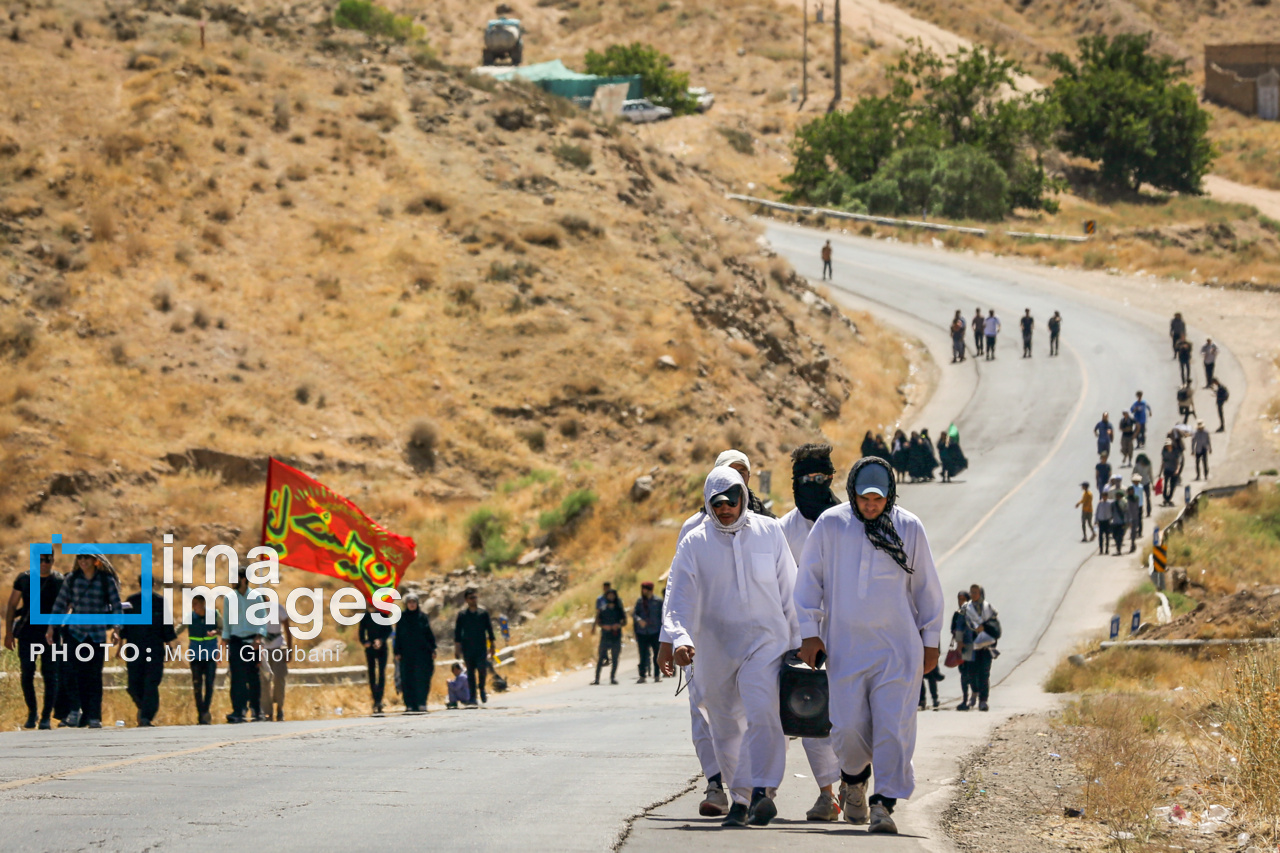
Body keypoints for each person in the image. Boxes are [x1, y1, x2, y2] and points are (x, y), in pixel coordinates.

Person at [796, 457, 944, 834]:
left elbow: (927, 588)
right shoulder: (832, 525)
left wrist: (931, 642)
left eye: (878, 499)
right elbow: (809, 579)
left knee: (893, 727)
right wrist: (809, 632)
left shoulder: (908, 527)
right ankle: (855, 779)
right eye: (864, 499)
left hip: (898, 650)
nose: (871, 505)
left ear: (890, 495)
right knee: (846, 728)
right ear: (853, 494)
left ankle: (884, 804)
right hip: (845, 648)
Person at [663, 466, 799, 828]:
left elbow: (790, 589)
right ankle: (740, 794)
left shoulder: (769, 532)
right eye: (717, 503)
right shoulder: (694, 542)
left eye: (731, 501)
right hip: (715, 648)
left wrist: (802, 640)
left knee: (761, 710)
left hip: (766, 642)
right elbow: (678, 598)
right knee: (723, 723)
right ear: (708, 501)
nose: (725, 509)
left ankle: (759, 792)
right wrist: (680, 639)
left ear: (743, 496)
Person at [777, 443, 845, 822]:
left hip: (848, 635)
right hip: (802, 641)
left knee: (852, 718)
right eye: (806, 479)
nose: (813, 485)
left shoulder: (847, 522)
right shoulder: (783, 530)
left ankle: (856, 788)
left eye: (821, 478)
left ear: (832, 477)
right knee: (810, 717)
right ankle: (827, 795)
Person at [46, 554, 122, 729]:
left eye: (86, 558)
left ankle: (93, 716)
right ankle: (76, 710)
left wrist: (117, 630)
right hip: (76, 633)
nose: (83, 562)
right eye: (80, 558)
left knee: (94, 676)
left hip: (96, 635)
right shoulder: (72, 580)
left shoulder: (106, 581)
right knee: (72, 674)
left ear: (95, 561)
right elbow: (60, 604)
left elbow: (116, 605)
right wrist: (51, 627)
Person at [4, 552, 65, 729]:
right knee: (27, 674)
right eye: (40, 560)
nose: (44, 563)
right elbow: (12, 606)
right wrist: (8, 633)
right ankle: (32, 713)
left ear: (53, 560)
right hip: (28, 633)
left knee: (51, 675)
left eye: (47, 560)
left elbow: (65, 607)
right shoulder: (24, 579)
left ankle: (46, 717)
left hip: (51, 635)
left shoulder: (59, 581)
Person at [119, 582, 177, 727]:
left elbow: (167, 627)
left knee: (151, 683)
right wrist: (120, 647)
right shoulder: (131, 601)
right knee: (133, 684)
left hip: (155, 649)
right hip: (135, 649)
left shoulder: (160, 602)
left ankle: (146, 716)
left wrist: (170, 648)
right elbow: (123, 626)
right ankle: (143, 706)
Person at [222, 574, 267, 723]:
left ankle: (256, 709)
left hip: (252, 642)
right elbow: (227, 621)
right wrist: (225, 640)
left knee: (253, 677)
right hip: (235, 641)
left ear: (243, 580)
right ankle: (238, 710)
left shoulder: (256, 597)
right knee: (236, 677)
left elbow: (262, 621)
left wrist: (259, 638)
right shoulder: (229, 598)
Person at [177, 594, 221, 725]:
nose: (193, 606)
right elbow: (179, 629)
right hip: (196, 656)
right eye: (193, 603)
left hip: (210, 656)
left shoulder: (214, 615)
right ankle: (201, 712)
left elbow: (225, 629)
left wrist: (216, 631)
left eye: (196, 603)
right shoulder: (190, 617)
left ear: (203, 604)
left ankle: (205, 711)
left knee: (209, 684)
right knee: (197, 685)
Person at [395, 592, 437, 712]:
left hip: (422, 654)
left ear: (417, 603)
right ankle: (410, 704)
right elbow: (398, 636)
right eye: (409, 602)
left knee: (422, 678)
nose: (412, 604)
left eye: (414, 602)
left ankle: (421, 702)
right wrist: (397, 651)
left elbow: (428, 633)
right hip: (406, 653)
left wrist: (433, 649)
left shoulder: (422, 617)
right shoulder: (402, 617)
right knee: (407, 679)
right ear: (406, 604)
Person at [455, 588, 495, 705]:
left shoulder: (483, 613)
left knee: (482, 668)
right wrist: (457, 647)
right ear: (466, 600)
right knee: (470, 673)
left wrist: (492, 645)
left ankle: (481, 687)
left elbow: (489, 630)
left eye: (475, 597)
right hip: (467, 647)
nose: (474, 600)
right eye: (471, 598)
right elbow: (457, 632)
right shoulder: (462, 615)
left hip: (481, 646)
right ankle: (473, 697)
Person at [963, 586, 997, 712]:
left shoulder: (988, 609)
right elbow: (959, 625)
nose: (973, 594)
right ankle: (975, 692)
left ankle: (983, 701)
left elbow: (996, 628)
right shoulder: (966, 609)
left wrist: (985, 628)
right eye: (972, 592)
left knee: (984, 674)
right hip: (970, 647)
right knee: (971, 673)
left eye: (976, 592)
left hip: (985, 648)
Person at [259, 598, 292, 721]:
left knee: (279, 678)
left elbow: (287, 628)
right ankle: (267, 711)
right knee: (264, 681)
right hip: (263, 650)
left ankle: (279, 707)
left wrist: (289, 649)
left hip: (278, 647)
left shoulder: (277, 608)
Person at [360, 602, 393, 714]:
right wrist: (365, 642)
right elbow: (361, 633)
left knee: (381, 673)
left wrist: (381, 640)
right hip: (370, 649)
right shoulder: (364, 617)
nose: (371, 608)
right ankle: (375, 699)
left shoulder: (383, 615)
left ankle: (380, 698)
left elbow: (388, 630)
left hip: (382, 648)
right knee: (371, 673)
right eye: (369, 606)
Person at [593, 588, 626, 685]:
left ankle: (612, 677)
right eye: (609, 595)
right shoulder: (603, 609)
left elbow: (624, 621)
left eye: (612, 595)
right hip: (605, 636)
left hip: (616, 636)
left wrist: (618, 625)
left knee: (615, 658)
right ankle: (597, 679)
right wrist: (604, 626)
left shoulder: (619, 609)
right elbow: (598, 621)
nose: (611, 597)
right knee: (601, 658)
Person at [950, 591, 976, 710]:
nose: (961, 602)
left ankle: (975, 695)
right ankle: (965, 699)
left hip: (973, 648)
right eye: (959, 599)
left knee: (973, 674)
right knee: (964, 674)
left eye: (963, 599)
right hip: (961, 648)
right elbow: (953, 629)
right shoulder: (957, 614)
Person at [633, 582, 662, 684]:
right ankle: (642, 676)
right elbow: (635, 615)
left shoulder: (658, 601)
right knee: (643, 655)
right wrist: (639, 620)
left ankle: (657, 675)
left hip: (655, 632)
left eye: (645, 589)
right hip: (642, 633)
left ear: (650, 590)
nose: (643, 591)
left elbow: (663, 616)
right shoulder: (640, 602)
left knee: (657, 655)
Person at [1160, 438, 1183, 507]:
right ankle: (1165, 498)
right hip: (1167, 470)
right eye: (1167, 445)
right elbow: (1163, 462)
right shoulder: (1164, 452)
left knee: (1172, 486)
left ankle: (1169, 498)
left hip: (1173, 470)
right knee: (1165, 485)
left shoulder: (1175, 452)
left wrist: (1177, 470)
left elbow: (1177, 462)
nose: (1168, 447)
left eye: (1169, 445)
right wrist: (1160, 472)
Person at [1110, 489, 1129, 556]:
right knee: (1114, 535)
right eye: (1117, 496)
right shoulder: (1113, 504)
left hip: (1121, 523)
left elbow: (1127, 512)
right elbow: (1111, 512)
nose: (1118, 497)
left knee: (1120, 537)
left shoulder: (1124, 503)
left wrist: (1127, 521)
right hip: (1115, 522)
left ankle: (1118, 550)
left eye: (1119, 496)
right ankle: (1118, 547)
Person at [1095, 490, 1113, 555]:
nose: (1104, 497)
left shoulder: (1109, 503)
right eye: (1103, 496)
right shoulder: (1100, 503)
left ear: (1107, 496)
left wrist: (1111, 519)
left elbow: (1112, 511)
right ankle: (1101, 550)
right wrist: (1096, 521)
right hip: (1101, 521)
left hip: (1107, 521)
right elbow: (1097, 512)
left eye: (1105, 496)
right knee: (1100, 536)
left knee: (1107, 536)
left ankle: (1107, 549)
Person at [1125, 485, 1142, 553]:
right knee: (1130, 531)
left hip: (1135, 517)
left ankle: (1132, 543)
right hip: (1128, 517)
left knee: (1133, 531)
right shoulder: (1126, 499)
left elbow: (1137, 507)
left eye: (1132, 491)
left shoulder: (1136, 498)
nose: (1131, 492)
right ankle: (1132, 544)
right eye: (1130, 491)